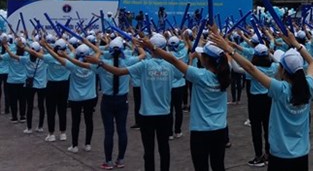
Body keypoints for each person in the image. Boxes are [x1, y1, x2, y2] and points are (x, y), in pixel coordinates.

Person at [212, 30, 313, 171]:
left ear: (284, 70)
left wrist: (230, 49)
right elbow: (312, 62)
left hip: (280, 154)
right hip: (302, 154)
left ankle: (260, 154)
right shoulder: (308, 86)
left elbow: (251, 68)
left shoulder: (280, 89)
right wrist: (296, 43)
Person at [92, 34, 176, 171]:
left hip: (147, 114)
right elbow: (181, 74)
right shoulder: (171, 66)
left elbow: (119, 72)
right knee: (164, 148)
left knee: (148, 151)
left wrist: (100, 63)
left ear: (151, 49)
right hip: (165, 113)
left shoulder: (144, 65)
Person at [150, 36, 231, 171]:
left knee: (201, 167)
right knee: (219, 166)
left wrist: (153, 47)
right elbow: (222, 57)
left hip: (200, 131)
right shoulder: (225, 72)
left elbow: (173, 60)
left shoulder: (198, 75)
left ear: (206, 59)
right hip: (220, 129)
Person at [91, 37, 144, 169]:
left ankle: (108, 161)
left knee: (108, 131)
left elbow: (88, 62)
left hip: (107, 100)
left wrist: (98, 52)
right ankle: (120, 159)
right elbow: (142, 55)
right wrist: (136, 43)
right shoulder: (128, 61)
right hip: (122, 100)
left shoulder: (102, 63)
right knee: (122, 130)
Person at [42, 39, 99, 154]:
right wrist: (86, 42)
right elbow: (98, 51)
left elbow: (57, 57)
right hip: (90, 97)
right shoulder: (94, 64)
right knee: (89, 121)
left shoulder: (72, 65)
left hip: (76, 97)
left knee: (75, 122)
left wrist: (47, 47)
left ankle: (75, 145)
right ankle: (87, 144)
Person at [41, 38, 71, 142]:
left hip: (51, 86)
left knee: (51, 110)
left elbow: (37, 54)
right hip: (64, 85)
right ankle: (63, 133)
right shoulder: (69, 57)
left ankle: (51, 133)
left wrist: (44, 46)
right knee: (62, 110)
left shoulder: (49, 57)